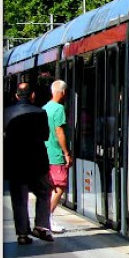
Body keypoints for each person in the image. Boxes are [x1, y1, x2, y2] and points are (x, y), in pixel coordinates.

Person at [4, 83, 53, 244]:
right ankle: (41, 226)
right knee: (43, 193)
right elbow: (45, 136)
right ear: (32, 95)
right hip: (37, 162)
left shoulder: (5, 113)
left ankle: (22, 234)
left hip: (15, 163)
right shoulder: (40, 112)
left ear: (17, 96)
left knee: (19, 198)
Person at [43, 80, 72, 232]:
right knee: (60, 186)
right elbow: (59, 131)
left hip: (45, 153)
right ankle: (47, 218)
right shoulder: (59, 108)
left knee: (51, 187)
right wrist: (66, 153)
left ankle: (45, 218)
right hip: (55, 154)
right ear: (63, 92)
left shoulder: (44, 108)